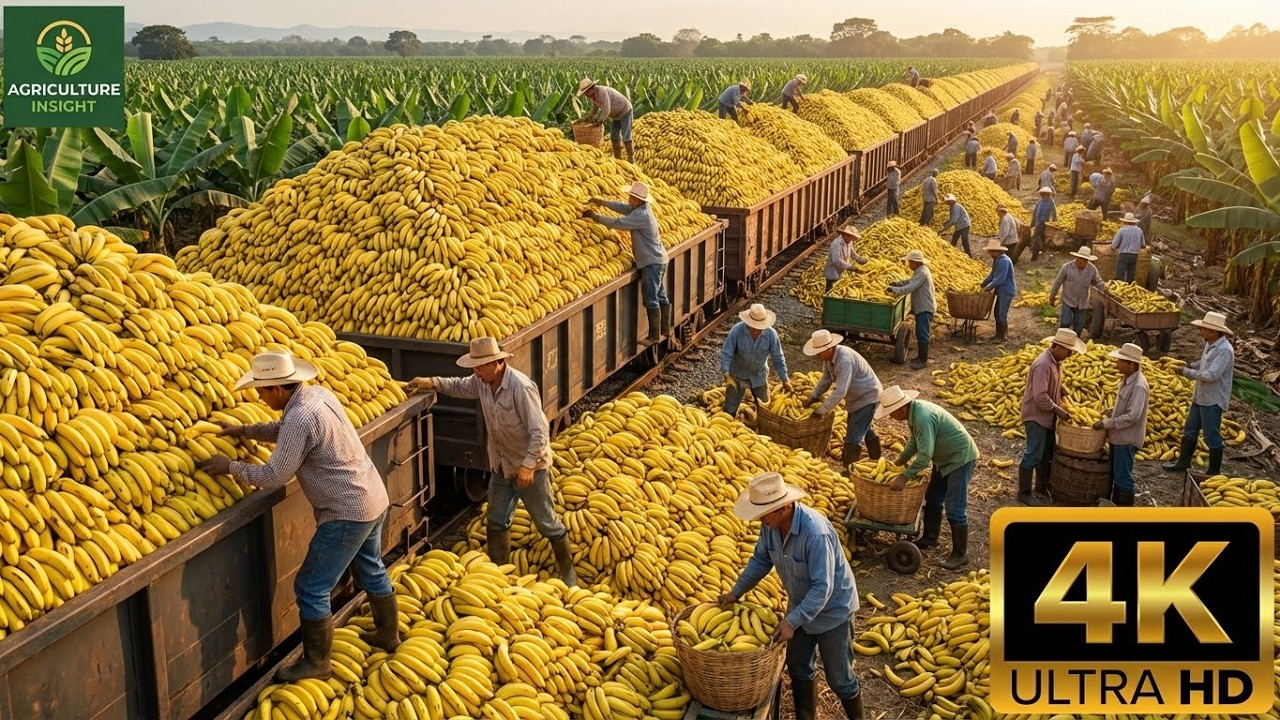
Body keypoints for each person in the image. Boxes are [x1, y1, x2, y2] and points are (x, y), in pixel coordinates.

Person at [201, 351, 399, 682]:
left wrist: (230, 466)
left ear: (278, 389)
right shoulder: (317, 395)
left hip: (345, 512)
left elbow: (274, 475)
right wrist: (245, 430)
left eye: (262, 392)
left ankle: (317, 663)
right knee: (372, 567)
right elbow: (286, 430)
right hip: (372, 497)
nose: (260, 397)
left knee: (310, 587)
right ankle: (388, 635)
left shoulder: (298, 419)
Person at [407, 338, 578, 584]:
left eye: (480, 367)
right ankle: (501, 572)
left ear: (497, 363)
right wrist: (432, 383)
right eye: (474, 368)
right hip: (501, 465)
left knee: (547, 522)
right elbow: (458, 386)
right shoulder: (482, 383)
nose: (475, 373)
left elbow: (539, 431)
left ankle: (568, 573)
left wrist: (528, 465)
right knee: (496, 520)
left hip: (530, 467)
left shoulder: (521, 387)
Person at [719, 473, 864, 719]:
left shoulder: (815, 533)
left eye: (765, 513)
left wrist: (791, 621)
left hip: (833, 611)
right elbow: (761, 560)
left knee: (840, 679)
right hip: (800, 605)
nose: (761, 519)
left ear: (784, 507)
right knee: (798, 667)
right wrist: (736, 592)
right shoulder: (771, 527)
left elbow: (823, 588)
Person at [879, 386, 978, 570]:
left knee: (955, 508)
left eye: (890, 413)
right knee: (933, 498)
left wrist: (904, 477)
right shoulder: (913, 413)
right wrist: (900, 461)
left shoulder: (922, 416)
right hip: (943, 459)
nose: (890, 417)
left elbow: (925, 456)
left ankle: (960, 554)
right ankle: (931, 538)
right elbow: (914, 442)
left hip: (960, 459)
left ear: (901, 408)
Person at [584, 181, 671, 346]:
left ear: (639, 200)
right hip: (657, 259)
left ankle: (654, 336)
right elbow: (622, 208)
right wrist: (602, 202)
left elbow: (618, 224)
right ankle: (665, 329)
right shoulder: (640, 209)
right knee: (660, 295)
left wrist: (596, 217)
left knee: (651, 297)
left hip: (651, 262)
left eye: (631, 197)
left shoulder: (642, 216)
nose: (629, 199)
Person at [1018, 329, 1086, 505]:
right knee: (1033, 454)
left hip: (1047, 417)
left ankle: (1042, 486)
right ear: (1058, 347)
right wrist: (1059, 410)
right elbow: (1040, 396)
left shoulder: (1057, 362)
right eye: (1068, 350)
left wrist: (1061, 390)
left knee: (1047, 453)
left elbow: (1051, 385)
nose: (1070, 354)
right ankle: (1024, 492)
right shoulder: (1043, 364)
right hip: (1036, 416)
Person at [1163, 312, 1235, 475]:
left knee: (1211, 436)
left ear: (1215, 331)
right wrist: (1189, 365)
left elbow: (1211, 375)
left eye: (1205, 330)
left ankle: (1214, 471)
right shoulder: (1210, 343)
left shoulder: (1225, 351)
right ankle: (1183, 463)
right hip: (1200, 396)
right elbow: (1204, 364)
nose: (1201, 332)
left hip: (1213, 400)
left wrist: (1186, 372)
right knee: (1190, 431)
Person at [802, 329, 884, 465]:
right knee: (865, 426)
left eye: (819, 352)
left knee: (853, 435)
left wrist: (821, 410)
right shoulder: (829, 359)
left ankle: (848, 469)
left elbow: (840, 391)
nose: (817, 355)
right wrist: (814, 396)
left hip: (868, 396)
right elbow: (826, 379)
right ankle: (876, 457)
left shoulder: (844, 360)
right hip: (856, 398)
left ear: (828, 348)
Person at [1091, 343, 1149, 506]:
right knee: (1117, 473)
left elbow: (1133, 416)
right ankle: (1115, 506)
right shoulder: (1127, 380)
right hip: (1118, 437)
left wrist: (1106, 423)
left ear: (1131, 364)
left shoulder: (1138, 386)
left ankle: (1124, 511)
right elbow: (1126, 407)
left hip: (1127, 439)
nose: (1116, 364)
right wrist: (1112, 410)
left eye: (1120, 361)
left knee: (1123, 477)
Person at [721, 304, 792, 417]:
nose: (755, 331)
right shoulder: (737, 330)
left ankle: (761, 429)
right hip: (737, 374)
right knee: (730, 408)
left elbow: (778, 357)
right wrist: (726, 373)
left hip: (758, 375)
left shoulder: (771, 335)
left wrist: (785, 379)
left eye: (758, 328)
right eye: (752, 327)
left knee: (764, 407)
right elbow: (726, 352)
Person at [888, 250, 936, 370]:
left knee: (922, 332)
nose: (908, 264)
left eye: (910, 262)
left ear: (915, 262)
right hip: (922, 305)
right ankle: (920, 357)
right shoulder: (920, 270)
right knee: (920, 331)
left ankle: (922, 359)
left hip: (924, 306)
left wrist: (894, 290)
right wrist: (898, 283)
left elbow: (910, 287)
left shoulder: (923, 272)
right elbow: (910, 281)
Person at [1048, 248, 1106, 336]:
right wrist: (1052, 296)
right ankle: (1061, 339)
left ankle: (1075, 341)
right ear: (1076, 257)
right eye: (1080, 258)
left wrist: (1106, 289)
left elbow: (1098, 282)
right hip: (1068, 299)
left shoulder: (1092, 269)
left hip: (1082, 302)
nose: (1081, 261)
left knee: (1079, 326)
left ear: (1087, 260)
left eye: (1084, 260)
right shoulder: (1067, 267)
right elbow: (1058, 282)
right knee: (1065, 322)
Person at [578, 78, 634, 161]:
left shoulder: (602, 92)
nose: (586, 95)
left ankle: (631, 159)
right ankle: (618, 159)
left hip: (625, 110)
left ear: (592, 88)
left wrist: (600, 121)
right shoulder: (593, 96)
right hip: (616, 115)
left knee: (626, 136)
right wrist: (590, 117)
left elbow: (607, 109)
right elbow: (595, 107)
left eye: (586, 92)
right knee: (614, 136)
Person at [981, 238, 1016, 342]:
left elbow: (999, 279)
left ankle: (1002, 336)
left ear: (997, 251)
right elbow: (992, 275)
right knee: (997, 312)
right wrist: (983, 283)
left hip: (1006, 291)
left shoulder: (1004, 261)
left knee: (1001, 313)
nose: (989, 253)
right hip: (1001, 291)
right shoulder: (997, 260)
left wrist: (987, 288)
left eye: (991, 251)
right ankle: (998, 334)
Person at [825, 225, 868, 292]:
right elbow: (837, 260)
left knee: (838, 288)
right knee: (831, 288)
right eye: (852, 237)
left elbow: (852, 253)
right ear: (846, 235)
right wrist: (851, 267)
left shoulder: (848, 242)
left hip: (841, 270)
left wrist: (860, 259)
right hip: (833, 270)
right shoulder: (837, 243)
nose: (852, 239)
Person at [1110, 212, 1144, 283]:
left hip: (1123, 254)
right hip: (1134, 255)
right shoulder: (1139, 230)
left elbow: (1114, 245)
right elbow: (1143, 245)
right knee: (1130, 275)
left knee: (1120, 274)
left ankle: (1119, 288)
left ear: (1125, 221)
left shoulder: (1122, 230)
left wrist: (1114, 248)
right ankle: (1129, 288)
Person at [1031, 186, 1058, 261]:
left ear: (1048, 195)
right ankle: (1037, 252)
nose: (1044, 196)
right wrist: (1033, 222)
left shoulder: (1051, 201)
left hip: (1044, 222)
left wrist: (1055, 221)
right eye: (1043, 195)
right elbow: (1035, 211)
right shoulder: (1040, 201)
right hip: (1038, 222)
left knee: (1039, 237)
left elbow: (1054, 211)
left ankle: (1038, 253)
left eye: (1046, 195)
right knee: (1038, 237)